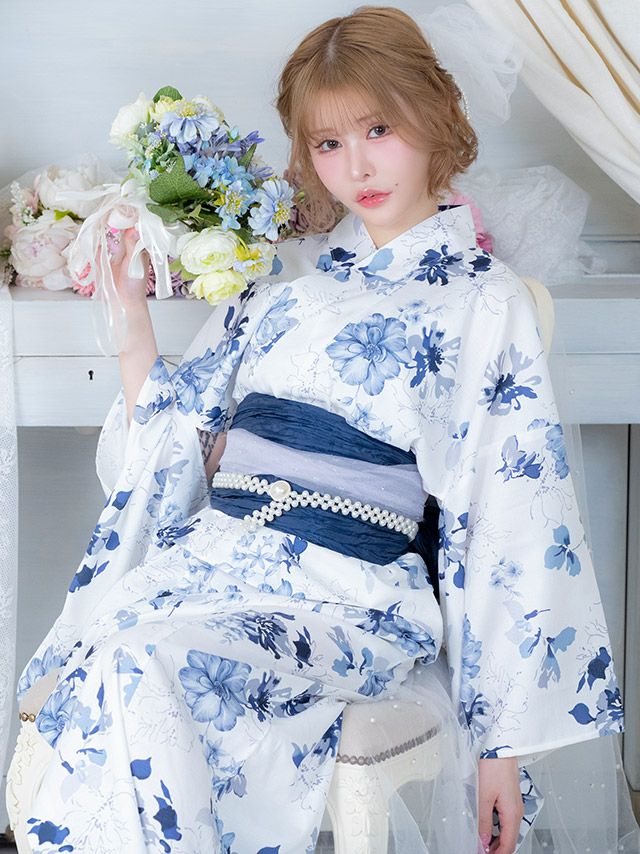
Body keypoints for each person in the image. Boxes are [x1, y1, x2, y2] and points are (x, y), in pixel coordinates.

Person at [14, 6, 635, 854]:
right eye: (329, 143)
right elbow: (172, 449)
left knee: (140, 664)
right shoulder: (283, 291)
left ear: (434, 115)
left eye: (379, 128)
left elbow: (512, 520)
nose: (358, 165)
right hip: (216, 573)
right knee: (117, 662)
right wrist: (133, 329)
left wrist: (502, 745)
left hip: (351, 598)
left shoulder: (483, 301)